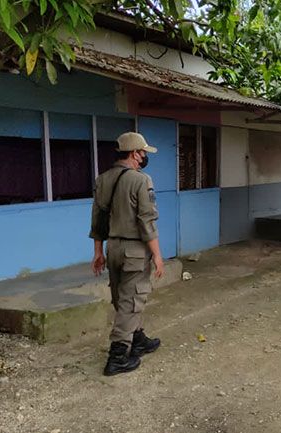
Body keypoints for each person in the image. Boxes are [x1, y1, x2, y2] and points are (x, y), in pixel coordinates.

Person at [90, 132, 164, 376]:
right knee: (132, 299)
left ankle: (137, 338)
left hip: (112, 248)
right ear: (134, 154)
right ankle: (118, 355)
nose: (144, 157)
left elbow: (98, 220)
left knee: (123, 296)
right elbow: (147, 221)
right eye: (143, 153)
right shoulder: (141, 180)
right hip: (134, 250)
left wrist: (98, 252)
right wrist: (157, 255)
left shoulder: (103, 180)